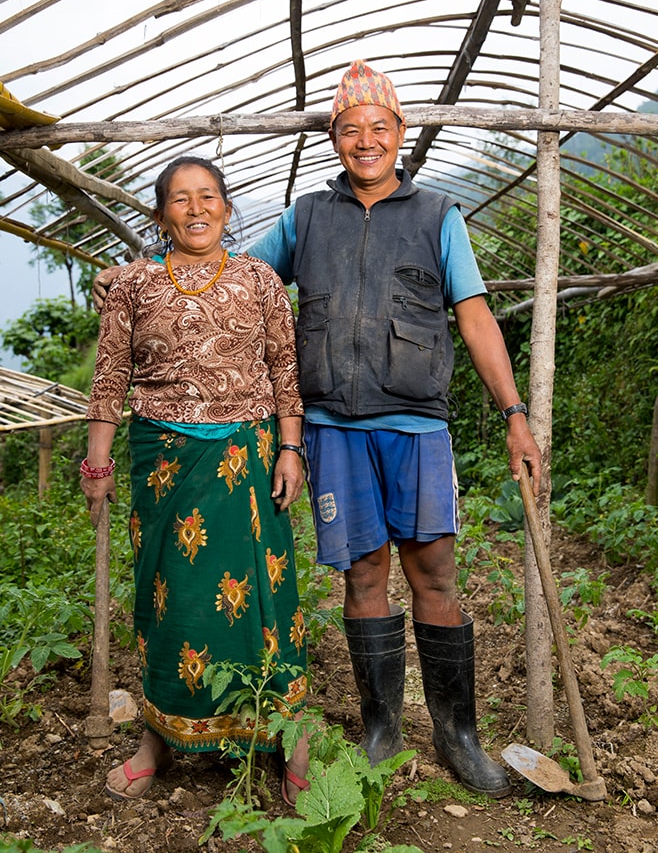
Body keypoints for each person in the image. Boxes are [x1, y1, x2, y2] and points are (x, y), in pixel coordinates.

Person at [93, 62, 542, 799]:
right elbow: (222, 271)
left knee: (434, 572)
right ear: (335, 138)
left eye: (380, 128)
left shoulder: (438, 216)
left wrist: (515, 416)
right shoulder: (308, 217)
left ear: (401, 136)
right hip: (332, 426)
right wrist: (134, 271)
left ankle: (459, 738)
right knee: (364, 576)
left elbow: (475, 317)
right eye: (350, 129)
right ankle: (380, 730)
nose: (366, 141)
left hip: (416, 425)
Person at [82, 156, 309, 806]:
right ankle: (158, 735)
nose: (197, 208)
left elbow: (285, 373)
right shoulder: (131, 287)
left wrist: (289, 451)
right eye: (180, 199)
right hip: (164, 462)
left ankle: (285, 734)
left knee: (264, 595)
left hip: (246, 455)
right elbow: (108, 383)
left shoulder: (261, 280)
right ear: (161, 216)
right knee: (170, 597)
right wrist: (96, 464)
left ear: (228, 209)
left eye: (208, 196)